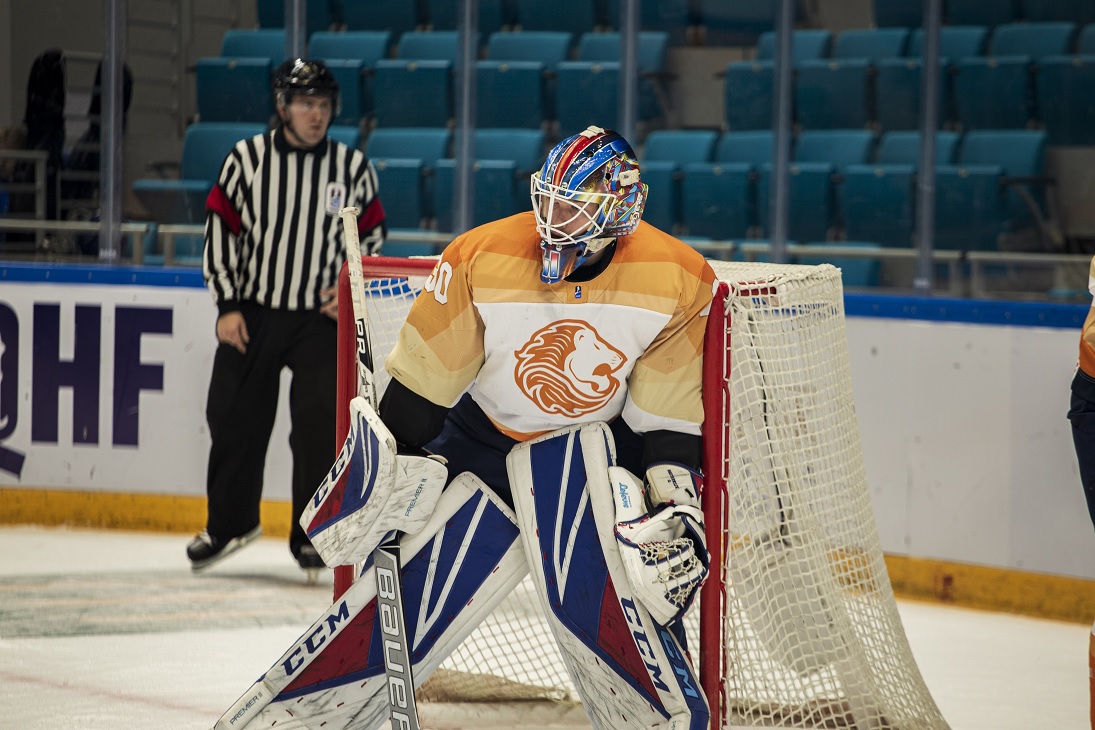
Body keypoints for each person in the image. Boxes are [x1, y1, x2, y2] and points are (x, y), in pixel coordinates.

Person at [186, 58, 386, 574]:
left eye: (322, 105)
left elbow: (372, 237)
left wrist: (345, 292)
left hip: (319, 319)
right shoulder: (247, 160)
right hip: (252, 310)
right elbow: (220, 230)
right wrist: (227, 304)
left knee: (320, 425)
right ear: (282, 107)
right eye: (304, 104)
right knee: (232, 415)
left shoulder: (352, 168)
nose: (315, 115)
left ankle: (311, 535)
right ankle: (230, 523)